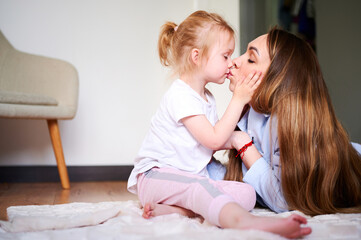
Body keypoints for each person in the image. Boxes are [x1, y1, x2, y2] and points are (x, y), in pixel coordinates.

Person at [127, 11, 311, 239]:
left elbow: (211, 142)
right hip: (156, 176)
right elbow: (214, 139)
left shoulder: (206, 98)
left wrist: (234, 138)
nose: (231, 62)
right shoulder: (180, 95)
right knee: (199, 187)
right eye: (225, 56)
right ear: (197, 57)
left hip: (189, 175)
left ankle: (178, 210)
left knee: (246, 193)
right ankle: (245, 222)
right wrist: (238, 101)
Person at [209, 27, 361, 216]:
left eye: (251, 59)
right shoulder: (249, 114)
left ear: (280, 80)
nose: (234, 62)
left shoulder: (284, 125)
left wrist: (242, 143)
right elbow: (237, 181)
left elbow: (283, 199)